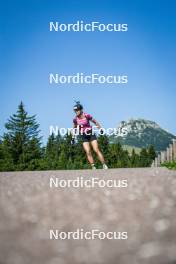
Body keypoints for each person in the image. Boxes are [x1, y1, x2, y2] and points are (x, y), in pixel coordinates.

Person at [72, 101, 108, 169]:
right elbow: (74, 129)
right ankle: (93, 166)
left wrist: (100, 129)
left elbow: (95, 122)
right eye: (75, 111)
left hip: (90, 133)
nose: (76, 112)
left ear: (81, 110)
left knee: (96, 149)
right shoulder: (75, 119)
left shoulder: (87, 115)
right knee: (88, 151)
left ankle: (104, 165)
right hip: (83, 135)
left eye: (77, 110)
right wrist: (73, 137)